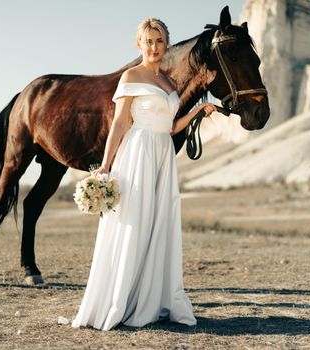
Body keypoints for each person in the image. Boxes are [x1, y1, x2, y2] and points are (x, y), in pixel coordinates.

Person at [71, 17, 216, 331]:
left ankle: (149, 300)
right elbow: (120, 124)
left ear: (166, 44)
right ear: (139, 44)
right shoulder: (130, 77)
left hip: (163, 151)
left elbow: (172, 127)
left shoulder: (168, 81)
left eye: (159, 41)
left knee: (158, 224)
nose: (154, 47)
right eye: (148, 41)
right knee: (135, 223)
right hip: (138, 153)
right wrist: (106, 165)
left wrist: (196, 113)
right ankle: (120, 299)